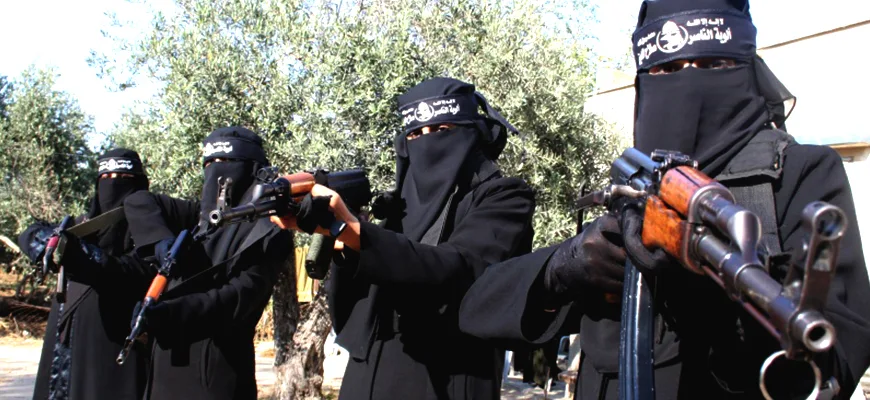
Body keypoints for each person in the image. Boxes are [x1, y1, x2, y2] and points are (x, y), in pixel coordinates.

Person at [457, 1, 870, 399]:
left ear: (746, 71)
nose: (687, 84)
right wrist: (565, 266)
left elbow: (837, 358)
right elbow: (477, 309)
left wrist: (710, 297)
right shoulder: (635, 186)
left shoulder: (797, 173)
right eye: (666, 69)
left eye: (713, 64)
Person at [272, 77, 536, 400]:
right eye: (414, 134)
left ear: (472, 133)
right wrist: (341, 240)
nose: (427, 142)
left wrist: (356, 233)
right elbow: (359, 296)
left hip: (450, 378)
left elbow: (458, 266)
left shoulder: (505, 198)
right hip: (369, 372)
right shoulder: (397, 207)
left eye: (441, 129)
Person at [121, 126, 291, 399]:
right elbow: (138, 201)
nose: (216, 172)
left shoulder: (268, 231)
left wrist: (170, 313)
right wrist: (162, 243)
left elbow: (238, 298)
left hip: (216, 378)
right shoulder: (200, 220)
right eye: (210, 163)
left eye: (226, 161)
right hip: (163, 373)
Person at [18, 149, 152, 400]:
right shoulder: (82, 227)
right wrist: (43, 242)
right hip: (65, 354)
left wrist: (81, 255)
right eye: (106, 177)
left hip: (114, 360)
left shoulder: (151, 239)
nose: (113, 184)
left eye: (123, 177)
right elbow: (30, 234)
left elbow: (125, 271)